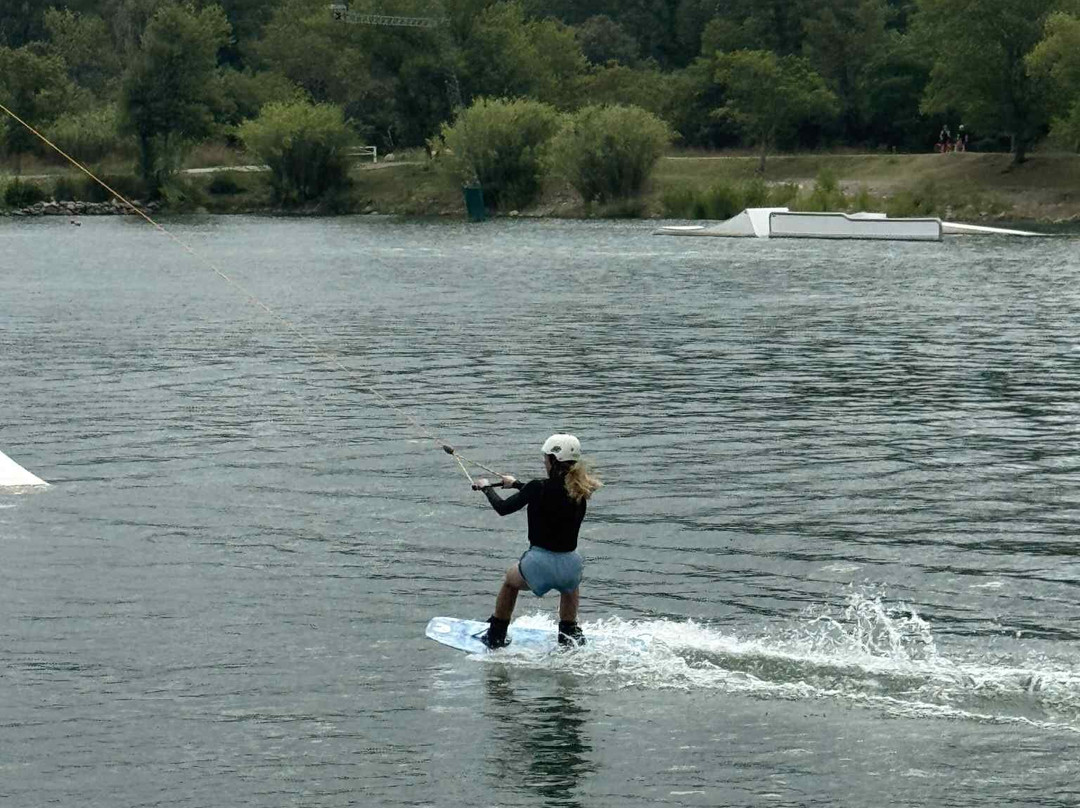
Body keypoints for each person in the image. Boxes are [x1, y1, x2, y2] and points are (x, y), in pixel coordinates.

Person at [472, 434, 602, 649]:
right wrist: (516, 484)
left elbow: (503, 509)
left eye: (545, 458)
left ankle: (496, 633)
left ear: (553, 459)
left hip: (540, 562)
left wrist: (487, 488)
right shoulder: (580, 489)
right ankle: (569, 634)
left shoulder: (537, 488)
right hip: (571, 563)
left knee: (510, 581)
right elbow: (550, 493)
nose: (544, 462)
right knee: (570, 586)